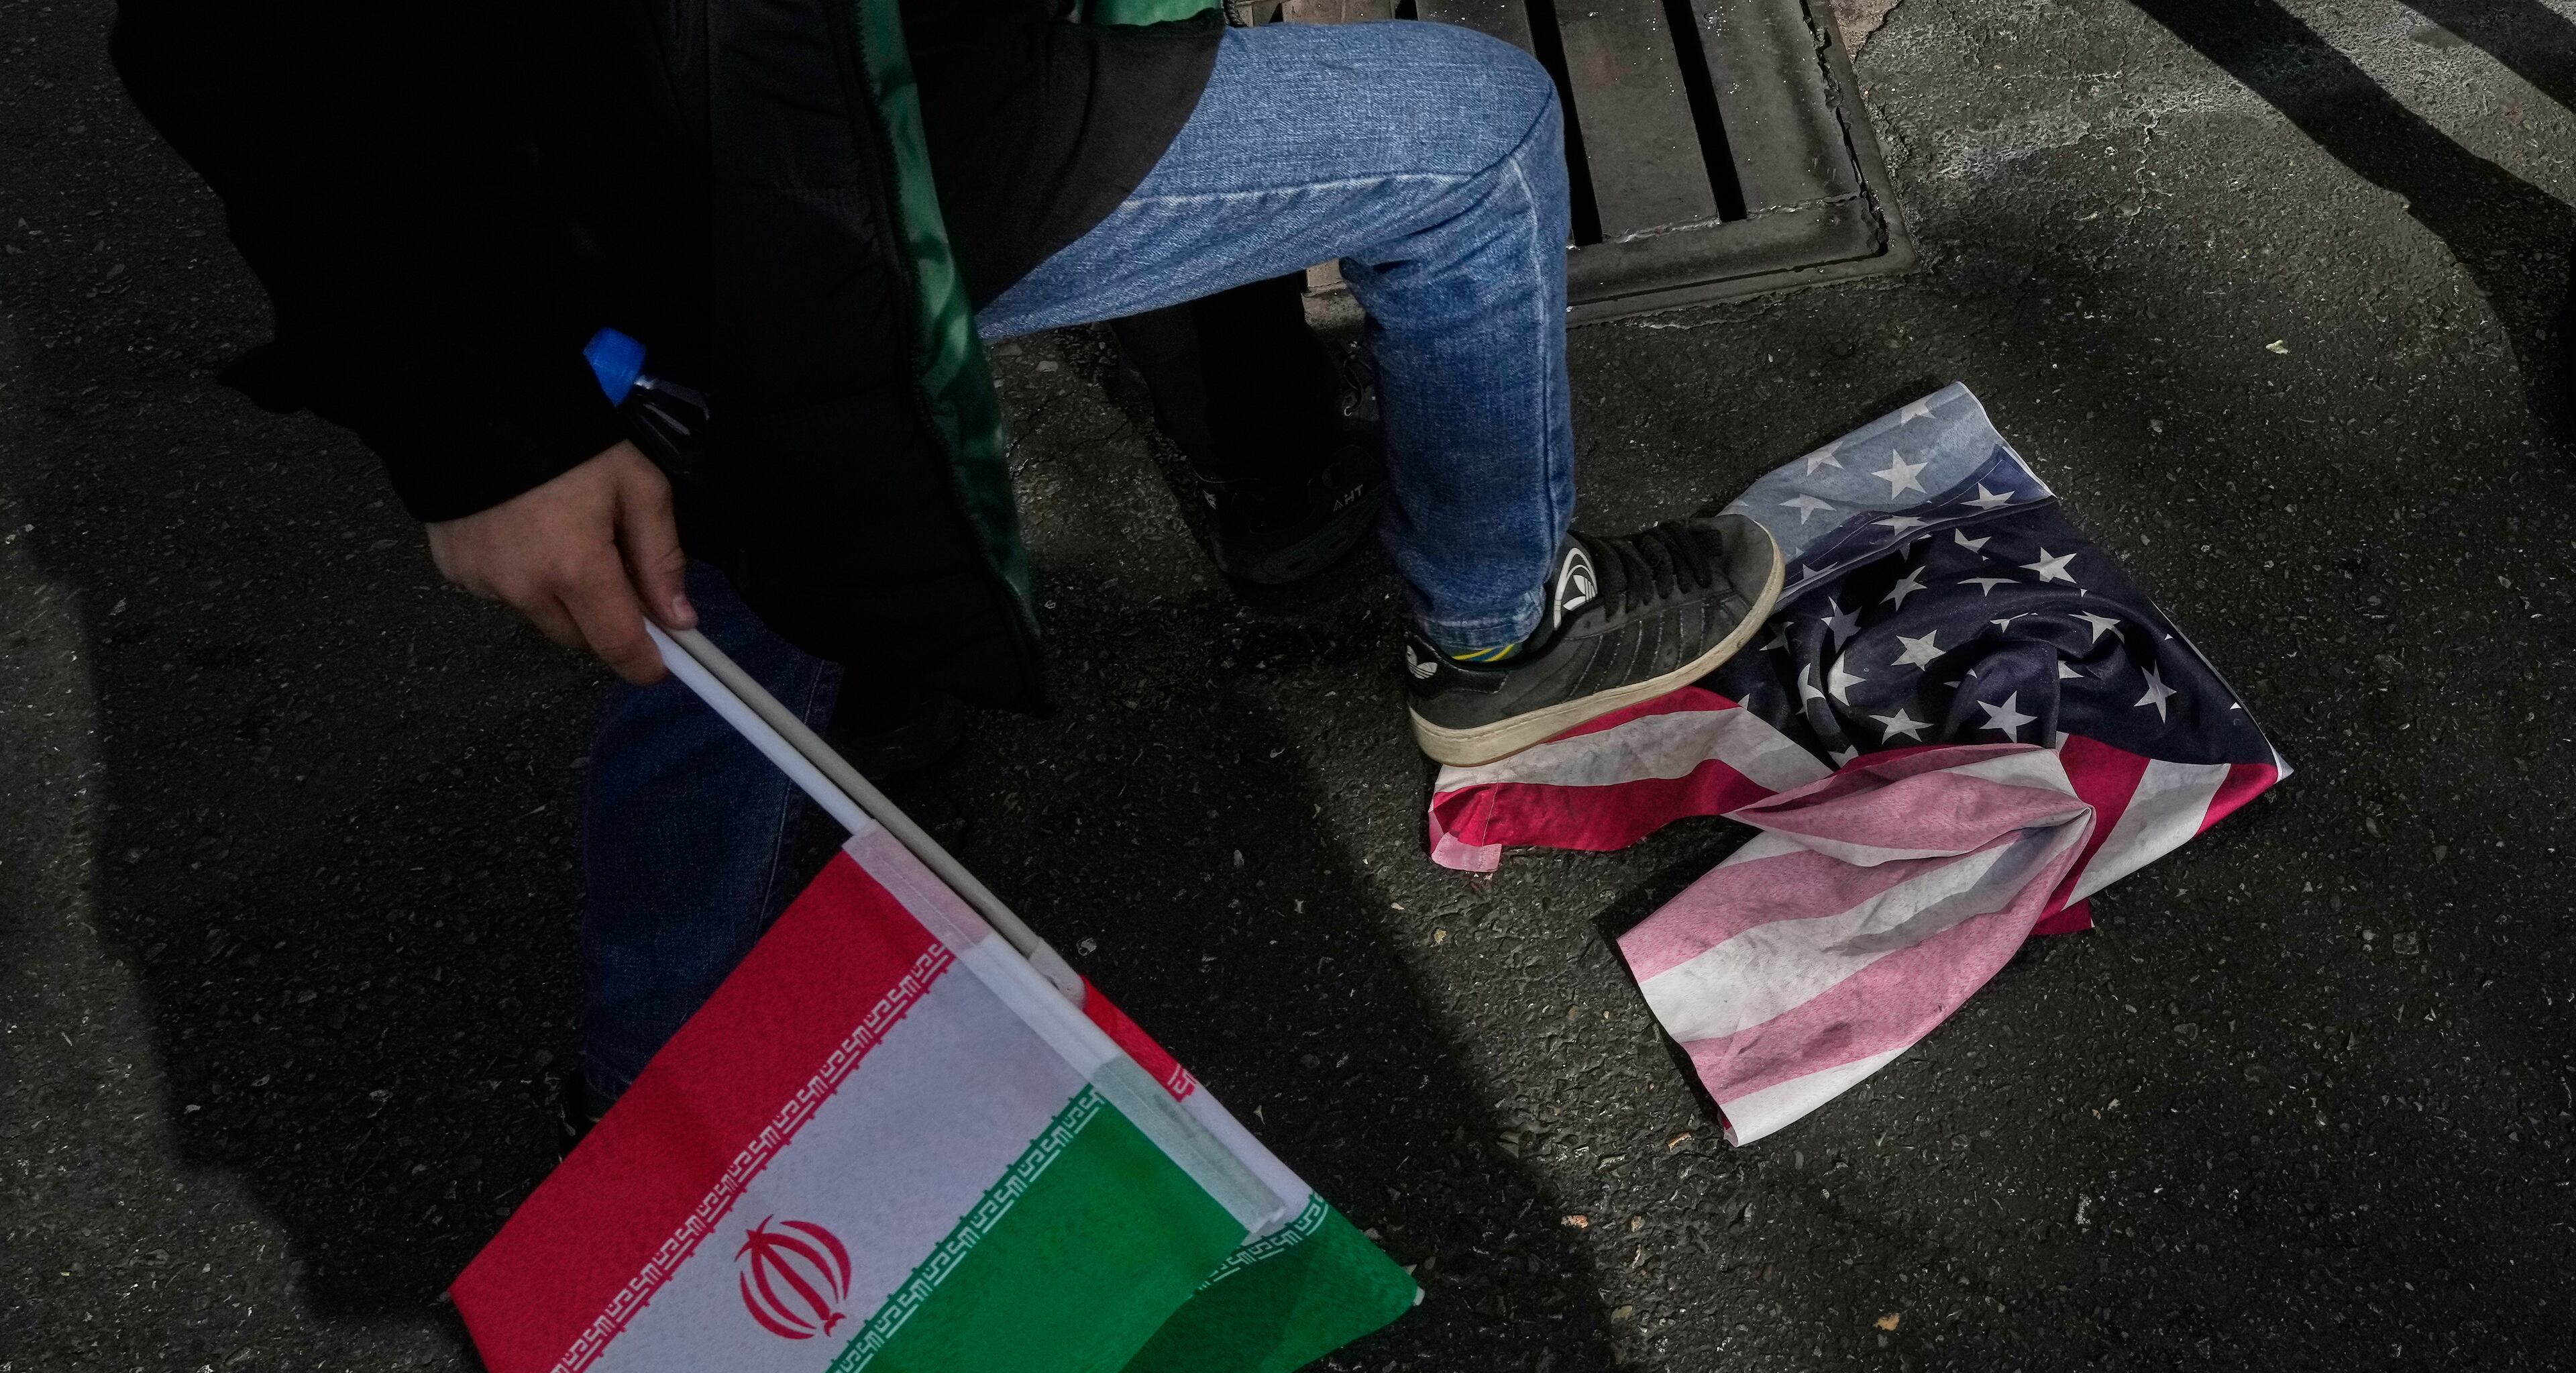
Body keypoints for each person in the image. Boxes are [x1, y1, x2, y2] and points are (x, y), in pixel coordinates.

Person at [111, 1, 1782, 1115]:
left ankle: (661, 1107)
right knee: (1473, 130)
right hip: (775, 171)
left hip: (783, 159)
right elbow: (232, 32)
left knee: (737, 559)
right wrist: (488, 431)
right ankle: (1502, 640)